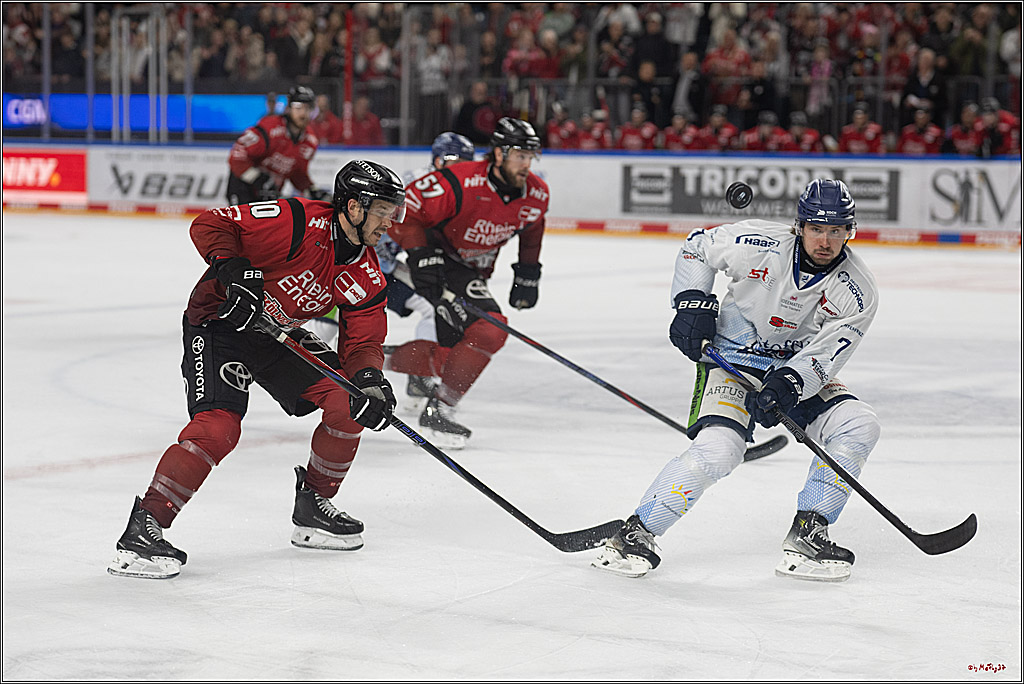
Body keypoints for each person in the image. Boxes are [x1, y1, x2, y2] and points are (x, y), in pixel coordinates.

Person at [108, 160, 407, 579]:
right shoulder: (297, 222)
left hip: (275, 333)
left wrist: (370, 379)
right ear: (354, 208)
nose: (389, 222)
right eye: (382, 211)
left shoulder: (367, 273)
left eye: (394, 212)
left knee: (350, 400)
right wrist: (234, 268)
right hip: (218, 323)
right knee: (218, 428)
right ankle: (144, 528)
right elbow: (211, 224)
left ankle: (313, 508)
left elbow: (363, 343)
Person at [593, 179, 881, 583]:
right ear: (799, 226)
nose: (826, 240)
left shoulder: (858, 289)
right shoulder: (758, 242)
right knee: (720, 449)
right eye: (817, 228)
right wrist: (692, 302)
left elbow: (828, 353)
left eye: (837, 231)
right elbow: (697, 245)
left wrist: (791, 383)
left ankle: (809, 531)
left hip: (793, 366)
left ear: (851, 232)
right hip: (731, 357)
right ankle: (634, 534)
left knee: (858, 424)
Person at [385, 118, 549, 448]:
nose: (526, 165)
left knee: (452, 354)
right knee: (491, 329)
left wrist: (527, 274)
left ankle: (370, 360)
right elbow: (405, 209)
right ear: (499, 154)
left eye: (531, 157)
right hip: (440, 260)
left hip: (472, 271)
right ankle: (441, 409)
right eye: (520, 156)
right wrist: (420, 254)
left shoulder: (536, 193)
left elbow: (532, 228)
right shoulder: (461, 181)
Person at [226, 85, 328, 205]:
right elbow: (237, 157)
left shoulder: (310, 142)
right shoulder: (270, 127)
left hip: (269, 195)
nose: (303, 114)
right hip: (243, 188)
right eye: (298, 107)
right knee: (241, 222)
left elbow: (296, 173)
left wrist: (311, 190)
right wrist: (257, 178)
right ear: (289, 108)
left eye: (308, 108)